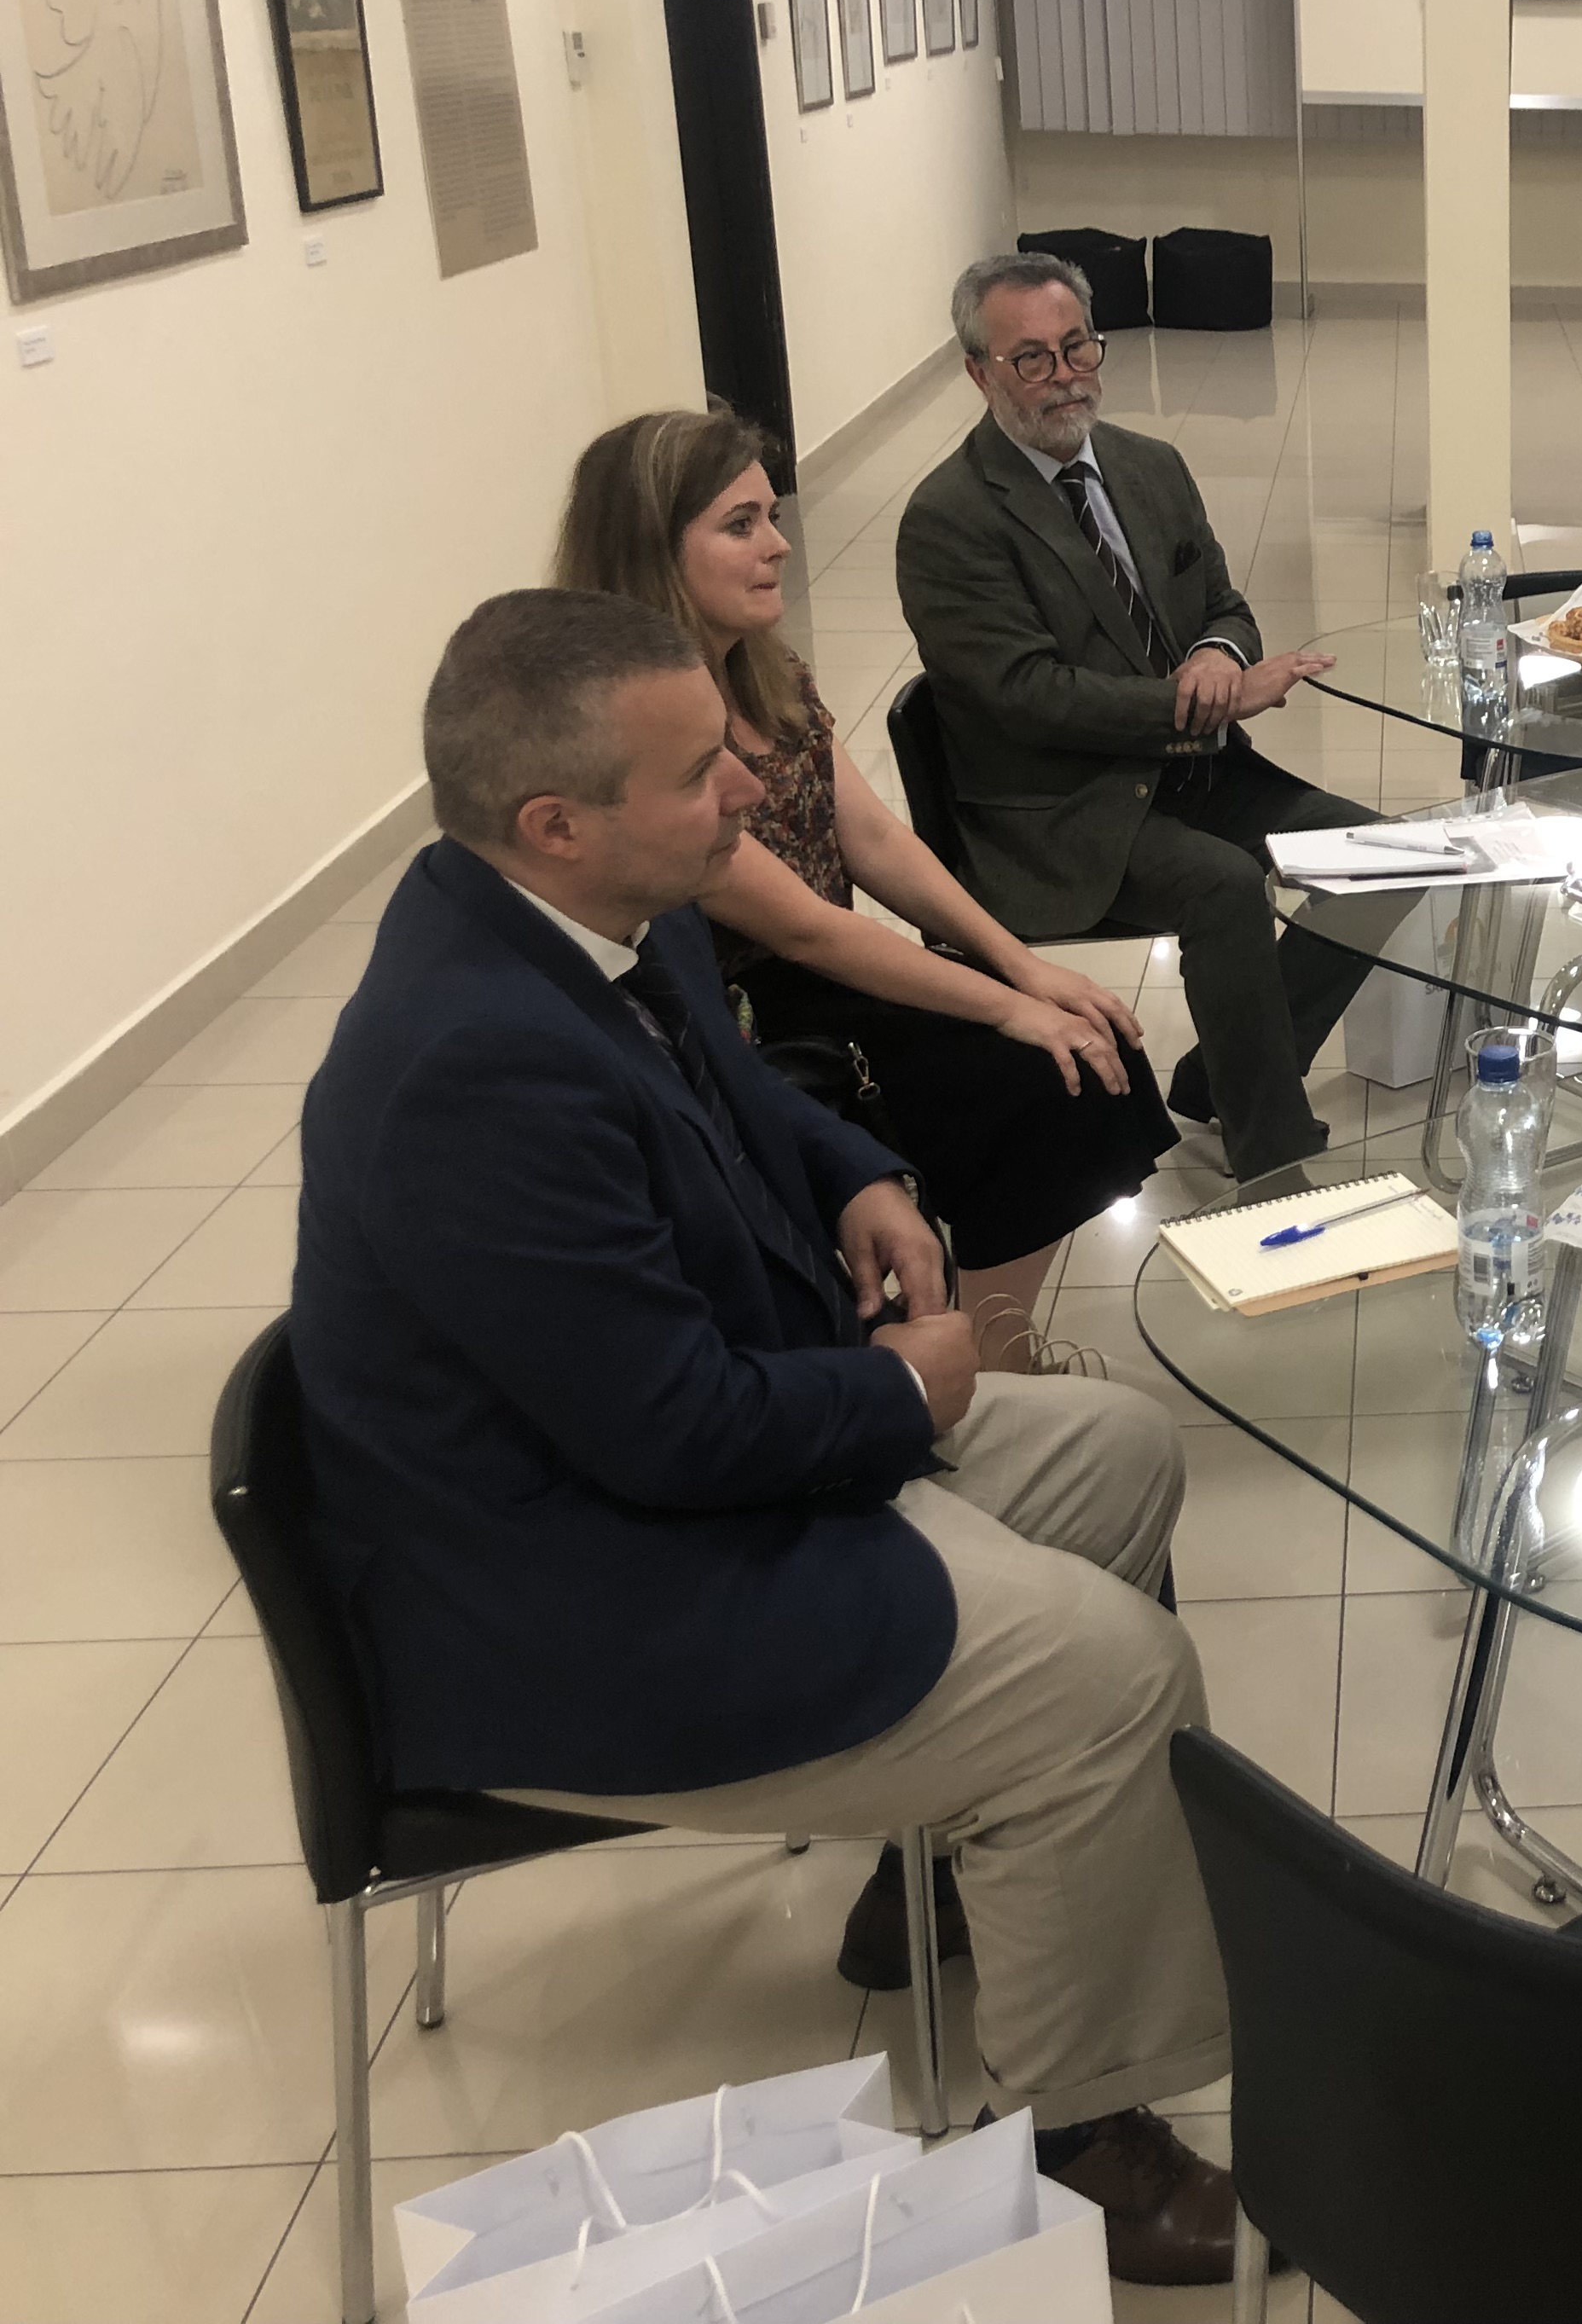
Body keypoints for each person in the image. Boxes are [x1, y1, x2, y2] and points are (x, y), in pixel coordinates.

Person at [291, 592, 1246, 2284]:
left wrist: (862, 1176)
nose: (749, 787)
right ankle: (1085, 2126)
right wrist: (909, 1393)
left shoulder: (610, 920)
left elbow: (747, 1104)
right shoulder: (468, 1069)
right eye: (699, 772)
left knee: (1117, 1454)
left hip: (662, 1478)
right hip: (574, 1599)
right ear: (555, 820)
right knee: (1113, 1678)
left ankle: (990, 1856)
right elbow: (675, 1434)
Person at [557, 408, 1175, 1371]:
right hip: (738, 1012)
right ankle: (973, 1362)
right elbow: (806, 928)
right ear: (653, 550)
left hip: (818, 975)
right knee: (1036, 1071)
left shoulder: (766, 671)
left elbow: (875, 839)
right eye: (740, 525)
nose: (779, 545)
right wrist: (1010, 1005)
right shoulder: (645, 725)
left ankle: (992, 1344)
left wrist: (1021, 966)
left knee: (1091, 1048)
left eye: (771, 516)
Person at [900, 250, 1375, 1179]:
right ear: (979, 374)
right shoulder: (950, 518)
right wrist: (1194, 707)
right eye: (1031, 358)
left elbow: (1224, 605)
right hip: (1064, 807)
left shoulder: (1149, 466)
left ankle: (1221, 1076)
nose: (1065, 375)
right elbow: (1027, 695)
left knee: (1386, 862)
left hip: (1191, 772)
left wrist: (1220, 654)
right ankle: (1274, 1161)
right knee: (1223, 885)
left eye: (1077, 345)